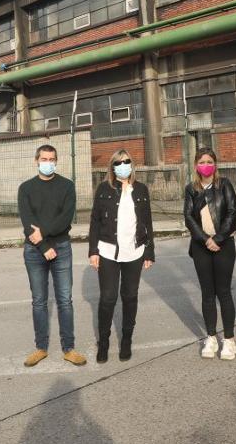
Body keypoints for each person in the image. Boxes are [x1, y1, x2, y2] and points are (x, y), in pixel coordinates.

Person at [18, 144, 87, 368]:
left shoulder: (67, 186)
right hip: (34, 251)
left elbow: (65, 219)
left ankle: (69, 348)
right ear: (36, 161)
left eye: (52, 159)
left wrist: (45, 237)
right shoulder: (26, 188)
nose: (48, 162)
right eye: (44, 158)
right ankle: (41, 348)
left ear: (56, 161)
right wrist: (43, 246)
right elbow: (28, 222)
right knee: (39, 301)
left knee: (65, 300)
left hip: (61, 248)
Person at [88, 149, 155, 363]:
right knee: (108, 298)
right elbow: (95, 222)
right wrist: (93, 251)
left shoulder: (141, 189)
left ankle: (126, 341)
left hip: (134, 251)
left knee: (130, 296)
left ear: (131, 164)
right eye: (119, 162)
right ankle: (104, 343)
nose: (123, 165)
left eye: (127, 161)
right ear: (112, 166)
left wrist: (149, 251)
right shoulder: (103, 189)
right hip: (108, 250)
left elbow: (147, 222)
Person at [182, 148, 236, 360]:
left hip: (224, 245)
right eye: (202, 161)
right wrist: (206, 239)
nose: (206, 164)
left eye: (209, 161)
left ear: (215, 164)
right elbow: (188, 217)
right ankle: (211, 337)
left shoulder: (224, 185)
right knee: (207, 293)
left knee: (223, 292)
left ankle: (230, 340)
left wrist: (218, 238)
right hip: (200, 246)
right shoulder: (191, 189)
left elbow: (232, 213)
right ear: (196, 164)